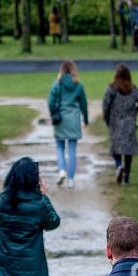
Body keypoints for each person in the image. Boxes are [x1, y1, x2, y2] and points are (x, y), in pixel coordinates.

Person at [102, 64, 138, 185]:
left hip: (115, 121)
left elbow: (105, 105)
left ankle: (118, 165)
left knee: (115, 147)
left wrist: (106, 118)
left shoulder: (111, 89)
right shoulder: (133, 89)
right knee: (128, 150)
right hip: (130, 122)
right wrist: (134, 111)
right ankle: (126, 178)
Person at [47, 60, 88, 188]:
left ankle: (61, 171)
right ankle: (71, 179)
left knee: (59, 147)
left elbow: (50, 101)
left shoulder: (57, 84)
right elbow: (83, 104)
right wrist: (86, 119)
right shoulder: (78, 85)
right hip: (74, 119)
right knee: (72, 150)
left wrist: (53, 113)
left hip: (60, 119)